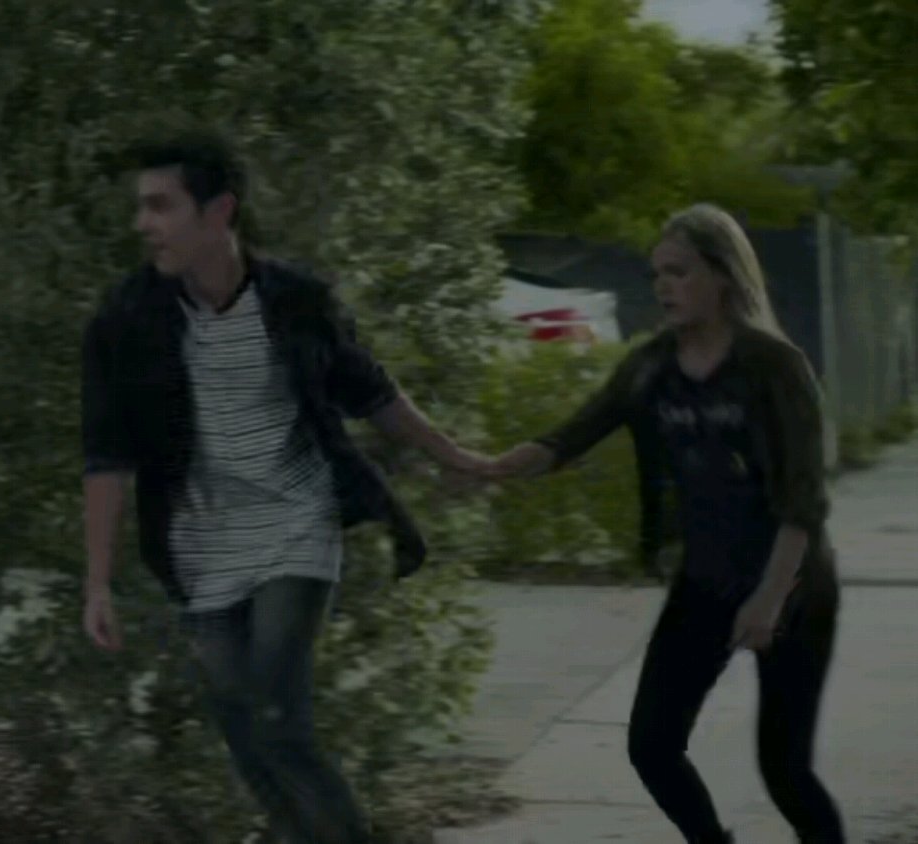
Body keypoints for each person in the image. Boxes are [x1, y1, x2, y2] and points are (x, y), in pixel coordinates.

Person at [79, 131, 490, 843]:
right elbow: (106, 457)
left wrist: (455, 456)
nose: (143, 224)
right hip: (201, 547)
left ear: (219, 211)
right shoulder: (126, 319)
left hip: (295, 525)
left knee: (277, 716)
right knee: (243, 733)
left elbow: (371, 392)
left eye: (160, 206)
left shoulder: (297, 300)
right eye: (140, 207)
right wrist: (98, 582)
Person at [485, 203, 845, 843]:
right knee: (652, 746)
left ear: (723, 276)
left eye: (679, 272)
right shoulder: (652, 366)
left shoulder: (773, 366)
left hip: (792, 584)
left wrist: (769, 600)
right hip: (705, 580)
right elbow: (571, 436)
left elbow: (804, 501)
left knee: (784, 769)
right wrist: (485, 468)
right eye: (657, 274)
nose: (663, 286)